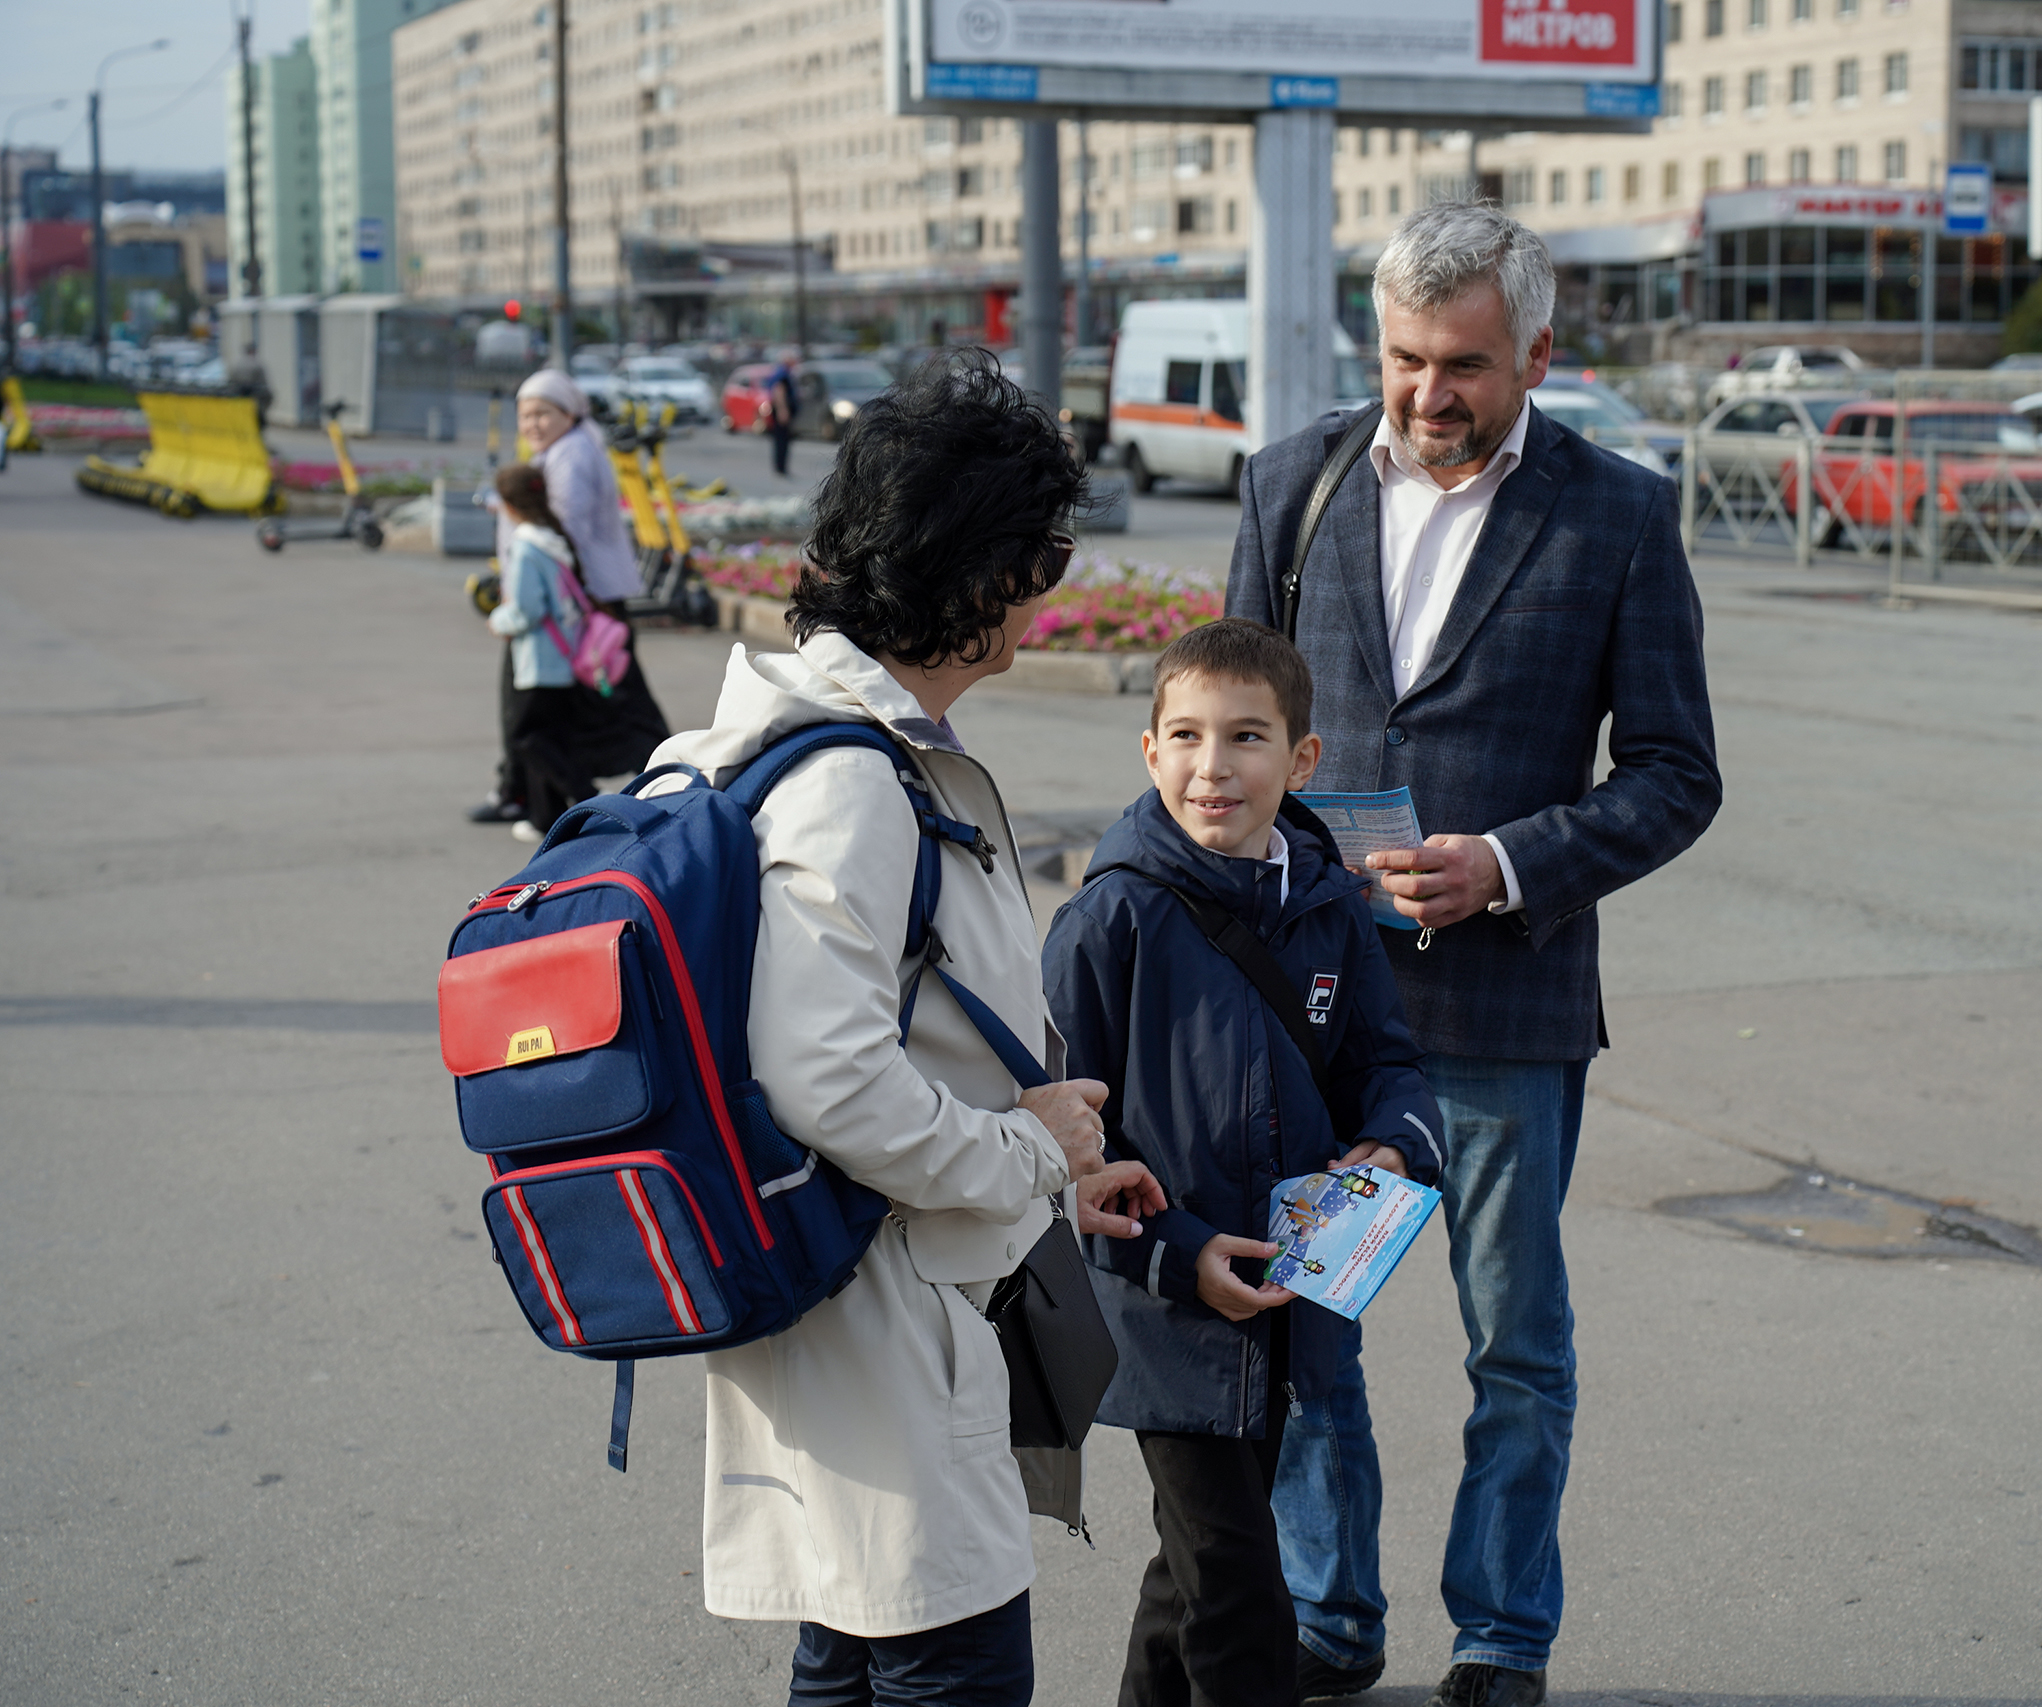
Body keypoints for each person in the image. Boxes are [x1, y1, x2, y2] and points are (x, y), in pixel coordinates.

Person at [1225, 203, 1723, 1707]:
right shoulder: (1294, 484)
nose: (1428, 395)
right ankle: (1330, 1613)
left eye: (1465, 367)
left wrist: (1506, 863)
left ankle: (1502, 1631)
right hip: (1321, 1011)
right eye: (1402, 359)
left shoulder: (1618, 515)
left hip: (1507, 1010)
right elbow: (1227, 721)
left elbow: (1675, 773)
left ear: (1539, 357)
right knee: (1308, 1326)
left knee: (1514, 1343)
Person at [642, 349, 1159, 1707]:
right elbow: (827, 1073)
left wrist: (1051, 1160)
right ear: (977, 575)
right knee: (945, 1654)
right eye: (1045, 552)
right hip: (880, 1299)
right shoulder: (852, 779)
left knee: (855, 1636)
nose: (1051, 588)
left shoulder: (774, 737)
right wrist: (1022, 1152)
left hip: (854, 1282)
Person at [1042, 619, 1445, 1707]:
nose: (1211, 766)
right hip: (1166, 1314)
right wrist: (1178, 1256)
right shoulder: (1111, 918)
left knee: (1190, 1577)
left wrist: (1395, 1141)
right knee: (1238, 1596)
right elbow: (1068, 1143)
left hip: (1286, 1299)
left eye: (1245, 737)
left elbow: (1388, 1065)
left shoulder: (1326, 903)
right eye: (1184, 735)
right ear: (1148, 751)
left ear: (1301, 759)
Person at [469, 369, 667, 825]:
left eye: (544, 413)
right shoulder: (562, 450)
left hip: (577, 603)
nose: (533, 423)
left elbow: (565, 529)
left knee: (585, 703)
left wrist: (524, 598)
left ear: (568, 413)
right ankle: (528, 792)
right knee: (589, 702)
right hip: (575, 601)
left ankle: (549, 793)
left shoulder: (571, 455)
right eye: (525, 415)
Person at [483, 463, 603, 839]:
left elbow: (527, 610)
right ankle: (545, 817)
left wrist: (497, 621)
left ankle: (586, 794)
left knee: (527, 737)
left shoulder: (525, 546)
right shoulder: (554, 539)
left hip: (537, 658)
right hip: (565, 653)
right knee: (550, 734)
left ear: (510, 505)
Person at [763, 357, 799, 478]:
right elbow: (778, 391)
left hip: (781, 411)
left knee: (781, 440)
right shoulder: (783, 374)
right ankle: (781, 468)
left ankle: (780, 467)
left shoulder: (782, 373)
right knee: (782, 441)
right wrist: (782, 410)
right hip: (781, 412)